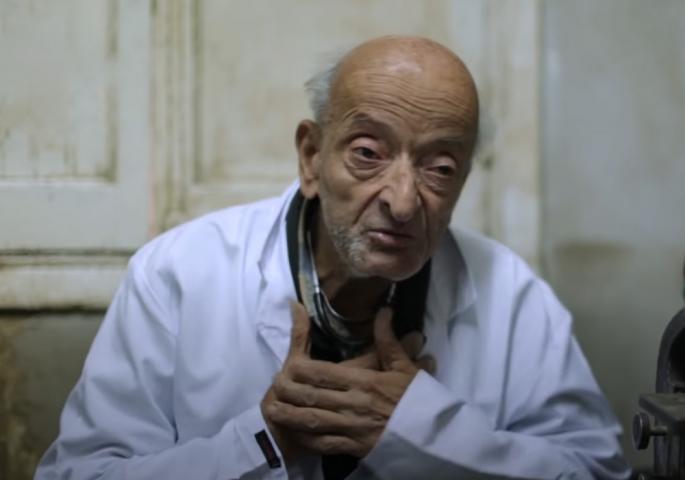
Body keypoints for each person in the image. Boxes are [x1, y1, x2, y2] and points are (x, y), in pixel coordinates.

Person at [35, 36, 631, 479]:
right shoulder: (179, 273)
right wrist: (266, 440)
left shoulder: (512, 294)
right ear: (311, 157)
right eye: (368, 153)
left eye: (441, 168)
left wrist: (423, 429)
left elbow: (597, 472)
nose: (403, 201)